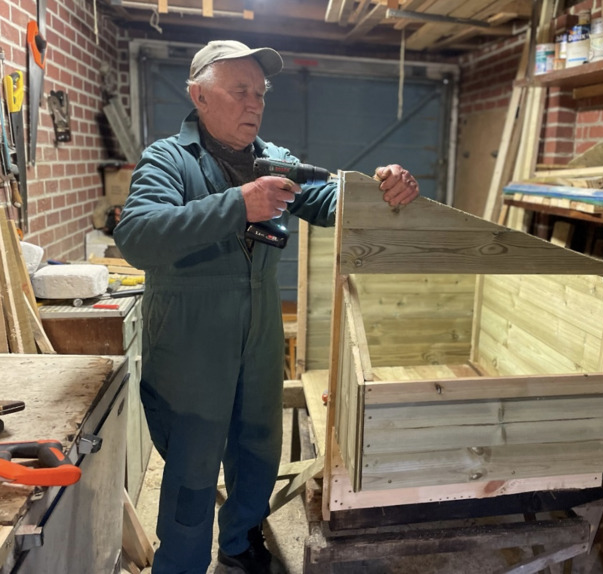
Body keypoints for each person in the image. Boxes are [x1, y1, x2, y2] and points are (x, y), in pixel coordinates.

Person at [114, 40, 419, 574]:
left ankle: (239, 545)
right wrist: (238, 204)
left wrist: (382, 188)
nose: (254, 104)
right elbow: (137, 235)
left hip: (258, 339)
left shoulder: (271, 159)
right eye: (239, 91)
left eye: (260, 93)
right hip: (191, 345)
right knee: (192, 468)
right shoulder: (168, 159)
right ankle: (182, 565)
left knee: (258, 449)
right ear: (199, 96)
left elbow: (326, 201)